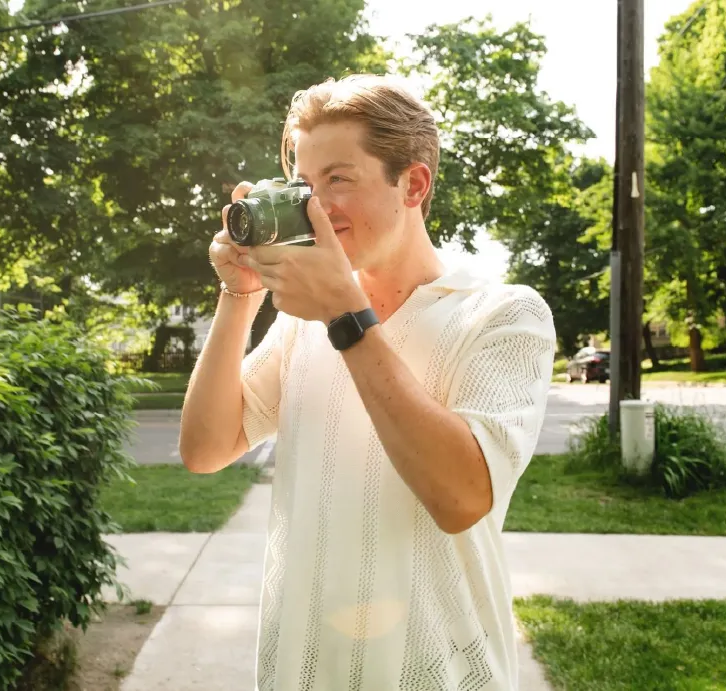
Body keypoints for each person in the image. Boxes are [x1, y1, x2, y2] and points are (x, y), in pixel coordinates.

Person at [179, 74, 556, 691]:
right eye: (305, 184)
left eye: (339, 180)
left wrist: (346, 315)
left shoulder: (501, 313)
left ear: (413, 183)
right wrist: (238, 295)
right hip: (299, 671)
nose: (314, 207)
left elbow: (460, 499)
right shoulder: (304, 322)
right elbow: (205, 448)